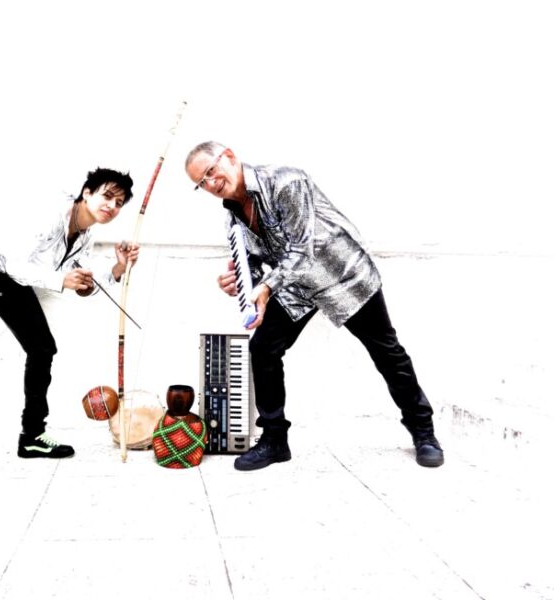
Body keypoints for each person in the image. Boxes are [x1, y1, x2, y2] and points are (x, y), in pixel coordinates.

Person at [184, 141, 444, 471]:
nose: (211, 183)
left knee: (387, 352)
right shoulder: (232, 218)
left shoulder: (286, 181)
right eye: (201, 182)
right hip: (294, 286)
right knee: (263, 348)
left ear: (230, 157)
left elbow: (302, 250)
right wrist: (241, 281)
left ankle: (424, 432)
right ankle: (275, 440)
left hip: (343, 274)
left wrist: (266, 286)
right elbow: (254, 263)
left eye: (211, 171)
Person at [0, 167, 138, 479]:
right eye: (107, 196)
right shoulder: (49, 214)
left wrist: (118, 268)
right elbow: (17, 265)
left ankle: (32, 437)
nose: (112, 206)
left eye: (119, 203)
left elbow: (85, 285)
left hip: (10, 278)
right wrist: (62, 279)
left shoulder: (84, 237)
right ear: (86, 192)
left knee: (42, 349)